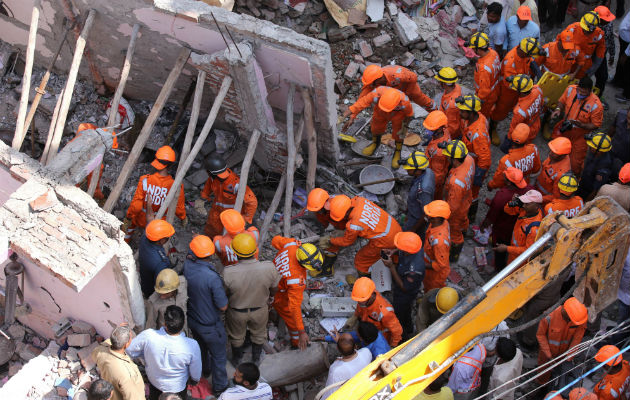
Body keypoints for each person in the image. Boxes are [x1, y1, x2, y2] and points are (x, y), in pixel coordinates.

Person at [223, 233, 279, 365]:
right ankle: (255, 358)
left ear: (235, 253)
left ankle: (237, 360)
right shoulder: (269, 267)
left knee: (236, 337)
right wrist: (270, 296)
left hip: (237, 312)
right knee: (259, 335)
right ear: (254, 251)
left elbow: (225, 293)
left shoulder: (228, 272)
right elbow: (274, 288)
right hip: (260, 309)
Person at [183, 235, 229, 395]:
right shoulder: (211, 277)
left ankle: (205, 370)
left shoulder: (188, 265)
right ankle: (220, 387)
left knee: (201, 348)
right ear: (210, 255)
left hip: (194, 320)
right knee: (219, 356)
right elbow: (223, 306)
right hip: (210, 325)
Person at [127, 305, 201, 400]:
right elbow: (196, 373)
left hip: (155, 384)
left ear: (164, 324)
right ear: (183, 323)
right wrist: (194, 380)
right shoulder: (192, 345)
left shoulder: (149, 336)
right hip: (178, 389)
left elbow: (129, 350)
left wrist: (145, 356)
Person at [322, 195, 401, 277]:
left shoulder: (354, 225)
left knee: (360, 260)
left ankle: (364, 277)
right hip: (394, 227)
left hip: (386, 241)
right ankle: (396, 258)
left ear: (344, 215)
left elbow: (347, 241)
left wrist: (330, 240)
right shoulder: (360, 200)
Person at [124, 146, 186, 243]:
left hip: (141, 217)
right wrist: (183, 218)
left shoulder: (145, 180)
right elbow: (179, 209)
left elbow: (136, 206)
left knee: (131, 225)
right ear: (171, 165)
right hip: (158, 223)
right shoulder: (176, 186)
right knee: (152, 240)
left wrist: (129, 216)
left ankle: (125, 242)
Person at [271, 236, 324, 350]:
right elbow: (294, 307)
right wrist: (301, 331)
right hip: (278, 295)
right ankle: (296, 342)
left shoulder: (292, 244)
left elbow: (275, 240)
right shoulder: (296, 281)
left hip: (273, 276)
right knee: (292, 319)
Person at [342, 86, 414, 167]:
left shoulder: (405, 103)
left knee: (399, 133)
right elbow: (362, 102)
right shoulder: (377, 93)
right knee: (376, 127)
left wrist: (404, 128)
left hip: (398, 115)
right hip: (380, 111)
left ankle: (397, 151)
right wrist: (347, 114)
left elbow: (409, 115)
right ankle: (375, 143)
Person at [482, 167, 533, 271]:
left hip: (503, 230)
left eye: (505, 177)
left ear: (509, 183)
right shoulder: (529, 190)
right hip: (518, 229)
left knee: (500, 251)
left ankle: (499, 268)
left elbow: (491, 216)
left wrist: (483, 226)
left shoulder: (502, 196)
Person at [551, 76, 603, 174]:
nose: (580, 94)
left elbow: (596, 125)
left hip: (580, 136)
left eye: (584, 93)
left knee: (575, 164)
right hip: (565, 129)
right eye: (579, 91)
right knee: (557, 153)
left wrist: (582, 125)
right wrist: (558, 110)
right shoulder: (570, 89)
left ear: (590, 91)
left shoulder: (596, 105)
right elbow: (561, 102)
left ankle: (573, 179)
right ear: (577, 87)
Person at [491, 37, 541, 136]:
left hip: (519, 87)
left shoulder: (523, 53)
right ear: (524, 52)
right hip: (508, 91)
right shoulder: (510, 62)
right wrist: (526, 88)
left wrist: (537, 72)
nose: (529, 56)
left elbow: (530, 61)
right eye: (529, 55)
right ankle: (492, 128)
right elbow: (508, 83)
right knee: (501, 110)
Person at [199, 154, 258, 238]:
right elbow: (208, 187)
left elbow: (252, 201)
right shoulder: (213, 178)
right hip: (217, 210)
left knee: (229, 234)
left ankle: (222, 246)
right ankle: (211, 242)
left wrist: (246, 218)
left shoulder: (236, 184)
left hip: (231, 215)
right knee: (211, 228)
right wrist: (203, 197)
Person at [382, 232, 425, 339]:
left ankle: (403, 336)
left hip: (405, 295)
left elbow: (405, 287)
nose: (397, 247)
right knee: (406, 312)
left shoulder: (414, 269)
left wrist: (391, 267)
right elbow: (402, 250)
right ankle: (409, 327)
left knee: (400, 313)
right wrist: (394, 251)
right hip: (401, 283)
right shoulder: (414, 248)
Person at [535, 297, 588, 384]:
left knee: (560, 373)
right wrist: (548, 355)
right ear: (566, 311)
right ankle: (541, 384)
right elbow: (540, 335)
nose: (571, 322)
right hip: (547, 353)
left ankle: (553, 384)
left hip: (564, 353)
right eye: (570, 319)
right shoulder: (549, 316)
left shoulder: (578, 318)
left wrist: (569, 357)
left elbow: (577, 338)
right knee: (543, 370)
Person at [441, 140, 475, 262]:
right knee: (464, 219)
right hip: (466, 199)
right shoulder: (469, 159)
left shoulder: (456, 183)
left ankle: (454, 254)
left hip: (457, 209)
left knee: (455, 232)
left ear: (454, 159)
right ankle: (464, 229)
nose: (446, 157)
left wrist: (443, 217)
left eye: (448, 156)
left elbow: (452, 207)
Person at [91, 325, 145, 400]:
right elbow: (133, 397)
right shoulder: (127, 374)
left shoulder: (100, 351)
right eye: (130, 338)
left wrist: (117, 332)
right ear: (126, 344)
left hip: (110, 392)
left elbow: (96, 352)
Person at [457, 94, 490, 212]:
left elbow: (485, 158)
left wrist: (478, 175)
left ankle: (471, 213)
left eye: (463, 111)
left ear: (471, 113)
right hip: (469, 159)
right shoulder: (475, 117)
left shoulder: (478, 134)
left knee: (473, 193)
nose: (460, 113)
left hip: (476, 165)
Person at [350, 277, 403, 346]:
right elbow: (360, 308)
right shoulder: (364, 299)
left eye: (361, 301)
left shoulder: (385, 312)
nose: (359, 302)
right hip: (367, 331)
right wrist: (355, 316)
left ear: (371, 296)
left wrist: (393, 345)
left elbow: (397, 330)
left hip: (380, 338)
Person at [494, 189, 542, 264]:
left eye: (527, 203)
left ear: (536, 206)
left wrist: (507, 248)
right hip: (513, 251)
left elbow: (528, 251)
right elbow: (507, 210)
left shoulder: (534, 230)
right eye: (524, 202)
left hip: (519, 260)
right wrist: (514, 202)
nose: (523, 205)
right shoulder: (526, 210)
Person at [357, 64, 435, 110]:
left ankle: (434, 111)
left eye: (373, 83)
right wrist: (353, 114)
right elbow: (362, 98)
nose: (372, 86)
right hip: (394, 93)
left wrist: (408, 92)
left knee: (421, 99)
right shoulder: (374, 81)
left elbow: (413, 77)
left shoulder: (398, 75)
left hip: (409, 88)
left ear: (379, 78)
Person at [488, 124, 541, 190]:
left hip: (510, 189)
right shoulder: (533, 149)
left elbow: (499, 180)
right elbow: (536, 169)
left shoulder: (506, 161)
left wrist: (491, 185)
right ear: (527, 139)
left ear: (512, 138)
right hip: (525, 184)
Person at [322, 333, 372, 399]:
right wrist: (340, 343)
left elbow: (329, 393)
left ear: (338, 349)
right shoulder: (366, 352)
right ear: (355, 346)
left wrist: (340, 344)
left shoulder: (336, 370)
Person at [557, 11, 605, 80]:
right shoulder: (572, 29)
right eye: (585, 29)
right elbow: (559, 41)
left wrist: (593, 68)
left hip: (584, 66)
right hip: (569, 61)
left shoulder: (599, 34)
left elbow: (601, 52)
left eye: (589, 31)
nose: (586, 32)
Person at [466, 32, 501, 120]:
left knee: (482, 116)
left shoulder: (484, 68)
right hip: (495, 90)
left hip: (487, 99)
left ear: (479, 49)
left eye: (474, 48)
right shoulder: (493, 53)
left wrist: (477, 102)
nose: (473, 50)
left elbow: (484, 91)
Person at [138, 220, 176, 298]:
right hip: (151, 289)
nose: (168, 239)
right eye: (167, 238)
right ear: (161, 240)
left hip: (144, 279)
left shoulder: (145, 237)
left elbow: (149, 219)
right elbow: (162, 285)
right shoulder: (161, 263)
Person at [505, 74, 544, 146]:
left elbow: (513, 128)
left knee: (522, 147)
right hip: (536, 124)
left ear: (521, 92)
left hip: (525, 133)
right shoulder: (538, 89)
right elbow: (541, 104)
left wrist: (509, 139)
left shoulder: (519, 111)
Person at [402, 151, 435, 234]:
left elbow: (426, 213)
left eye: (409, 168)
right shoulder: (428, 171)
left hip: (416, 218)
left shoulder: (423, 190)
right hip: (412, 210)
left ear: (418, 170)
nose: (406, 169)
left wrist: (413, 229)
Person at [146, 268, 188, 332]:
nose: (162, 297)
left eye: (166, 294)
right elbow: (150, 327)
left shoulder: (183, 283)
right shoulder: (153, 302)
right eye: (160, 293)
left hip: (183, 333)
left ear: (174, 289)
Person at [423, 200, 452, 291]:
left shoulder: (439, 242)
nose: (427, 216)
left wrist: (421, 265)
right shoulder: (442, 223)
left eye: (429, 215)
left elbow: (440, 265)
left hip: (435, 275)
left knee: (431, 290)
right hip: (429, 265)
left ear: (437, 218)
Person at [534, 137, 573, 204]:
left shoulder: (561, 175)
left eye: (554, 153)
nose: (550, 153)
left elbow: (556, 196)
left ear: (563, 156)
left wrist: (539, 199)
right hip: (538, 187)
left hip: (545, 198)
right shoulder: (555, 155)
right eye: (551, 150)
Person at [576, 132, 613, 200]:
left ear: (599, 151)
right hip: (582, 182)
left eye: (592, 147)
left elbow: (595, 190)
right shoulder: (593, 152)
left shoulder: (604, 166)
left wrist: (587, 202)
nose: (590, 147)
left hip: (588, 190)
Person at [424, 111, 451, 200]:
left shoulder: (439, 152)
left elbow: (437, 174)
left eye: (430, 129)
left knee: (433, 195)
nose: (428, 131)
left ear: (439, 129)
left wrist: (429, 182)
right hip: (434, 163)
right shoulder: (445, 130)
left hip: (435, 178)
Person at [592, 6, 616, 100]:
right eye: (605, 19)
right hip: (588, 56)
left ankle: (597, 97)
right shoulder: (590, 26)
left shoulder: (609, 24)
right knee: (583, 78)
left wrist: (612, 55)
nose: (608, 21)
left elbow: (610, 39)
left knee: (603, 77)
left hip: (601, 56)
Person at [435, 68, 463, 139]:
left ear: (444, 84)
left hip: (451, 134)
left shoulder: (451, 105)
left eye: (440, 81)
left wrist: (443, 135)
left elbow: (452, 126)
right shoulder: (456, 87)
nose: (439, 83)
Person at [611, 12, 630, 102]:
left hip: (628, 45)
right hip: (625, 38)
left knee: (627, 67)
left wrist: (626, 54)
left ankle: (626, 94)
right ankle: (618, 81)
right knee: (621, 62)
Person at [608, 109, 630, 176]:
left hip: (625, 161)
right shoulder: (620, 115)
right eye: (629, 118)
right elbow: (612, 129)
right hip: (611, 152)